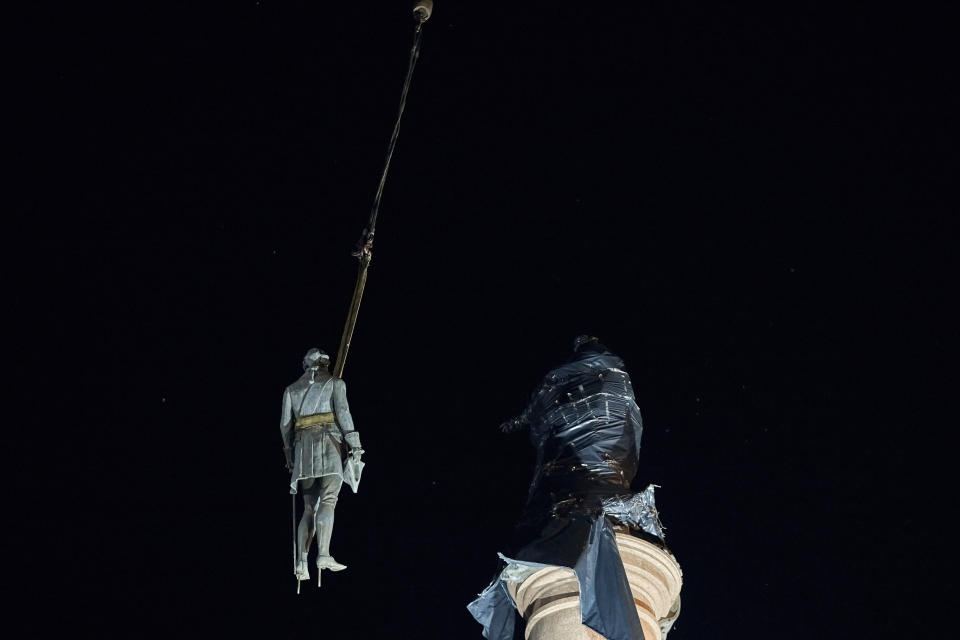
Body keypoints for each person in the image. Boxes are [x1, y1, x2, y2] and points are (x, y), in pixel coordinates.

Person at [280, 348, 364, 580]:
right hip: (329, 445)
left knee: (309, 508)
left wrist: (289, 456)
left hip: (303, 451)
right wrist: (355, 445)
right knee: (328, 500)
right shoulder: (336, 384)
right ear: (325, 364)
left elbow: (285, 426)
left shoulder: (291, 390)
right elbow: (344, 414)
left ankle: (301, 561)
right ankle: (323, 554)